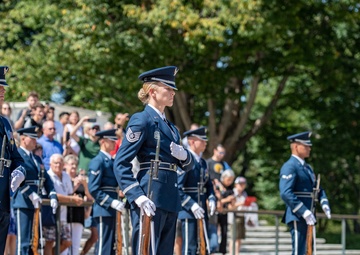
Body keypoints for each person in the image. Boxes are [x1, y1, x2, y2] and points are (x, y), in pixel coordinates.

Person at [113, 66, 194, 255]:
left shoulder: (172, 128)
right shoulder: (142, 120)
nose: (173, 92)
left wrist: (185, 156)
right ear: (152, 91)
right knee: (146, 251)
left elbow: (189, 166)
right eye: (168, 88)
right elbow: (121, 162)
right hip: (150, 193)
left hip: (170, 195)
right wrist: (137, 195)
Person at [279, 131, 331, 255]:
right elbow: (286, 192)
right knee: (299, 251)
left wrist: (324, 202)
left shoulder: (307, 168)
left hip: (310, 215)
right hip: (298, 215)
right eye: (306, 145)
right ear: (296, 147)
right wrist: (304, 211)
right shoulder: (290, 166)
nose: (309, 148)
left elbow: (317, 188)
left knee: (308, 251)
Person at [12, 126, 58, 254]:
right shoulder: (17, 155)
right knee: (24, 241)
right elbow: (17, 179)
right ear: (23, 139)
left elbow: (46, 179)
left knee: (34, 241)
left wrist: (53, 195)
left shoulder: (36, 158)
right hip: (23, 201)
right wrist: (30, 194)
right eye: (32, 138)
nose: (35, 141)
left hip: (36, 202)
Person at [0, 66, 27, 254]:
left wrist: (20, 171)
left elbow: (16, 156)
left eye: (3, 88)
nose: (3, 91)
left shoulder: (5, 123)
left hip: (3, 197)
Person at [177, 126, 216, 255]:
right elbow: (178, 189)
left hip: (201, 210)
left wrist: (211, 198)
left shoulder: (203, 162)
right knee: (189, 248)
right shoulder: (185, 160)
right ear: (192, 142)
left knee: (203, 246)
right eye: (202, 140)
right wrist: (191, 205)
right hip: (189, 211)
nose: (205, 143)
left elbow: (208, 185)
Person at [88, 129, 124, 255]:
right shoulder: (98, 161)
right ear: (103, 141)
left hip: (112, 207)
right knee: (104, 245)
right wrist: (111, 202)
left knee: (112, 246)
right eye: (111, 140)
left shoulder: (111, 161)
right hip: (104, 208)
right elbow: (93, 188)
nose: (115, 143)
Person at [46, 154, 83, 254]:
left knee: (67, 242)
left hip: (63, 215)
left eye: (60, 162)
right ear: (50, 164)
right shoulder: (48, 175)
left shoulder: (66, 176)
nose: (58, 165)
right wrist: (72, 198)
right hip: (51, 214)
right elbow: (54, 195)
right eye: (56, 163)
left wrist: (76, 193)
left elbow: (69, 192)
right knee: (50, 241)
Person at [64, 154, 92, 255]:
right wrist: (75, 186)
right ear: (65, 165)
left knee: (75, 247)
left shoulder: (80, 180)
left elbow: (89, 198)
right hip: (65, 216)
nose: (74, 167)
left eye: (75, 164)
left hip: (78, 215)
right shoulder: (63, 178)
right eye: (71, 164)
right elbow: (65, 194)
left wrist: (84, 185)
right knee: (65, 246)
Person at [218, 169, 235, 255]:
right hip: (215, 213)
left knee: (224, 232)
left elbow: (231, 204)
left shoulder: (230, 190)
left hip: (225, 213)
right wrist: (226, 200)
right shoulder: (217, 186)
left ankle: (223, 250)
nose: (229, 182)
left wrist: (232, 201)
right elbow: (217, 201)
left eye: (231, 180)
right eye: (228, 179)